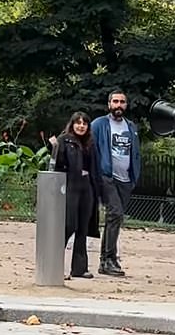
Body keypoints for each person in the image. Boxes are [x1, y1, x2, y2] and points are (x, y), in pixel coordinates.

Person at [91, 90, 141, 277]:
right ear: (109, 104)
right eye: (115, 101)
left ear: (126, 105)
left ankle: (106, 260)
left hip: (125, 179)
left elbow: (135, 152)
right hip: (106, 177)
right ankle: (108, 259)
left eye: (122, 102)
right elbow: (90, 147)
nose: (118, 105)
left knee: (115, 218)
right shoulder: (99, 124)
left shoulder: (131, 127)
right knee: (116, 213)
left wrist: (134, 176)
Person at [53, 112, 102, 279]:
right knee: (70, 225)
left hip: (87, 187)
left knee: (83, 227)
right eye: (78, 123)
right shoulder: (64, 140)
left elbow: (95, 167)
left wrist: (97, 190)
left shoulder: (91, 143)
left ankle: (79, 268)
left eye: (84, 123)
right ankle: (54, 264)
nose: (81, 126)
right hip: (71, 186)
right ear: (72, 124)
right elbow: (57, 164)